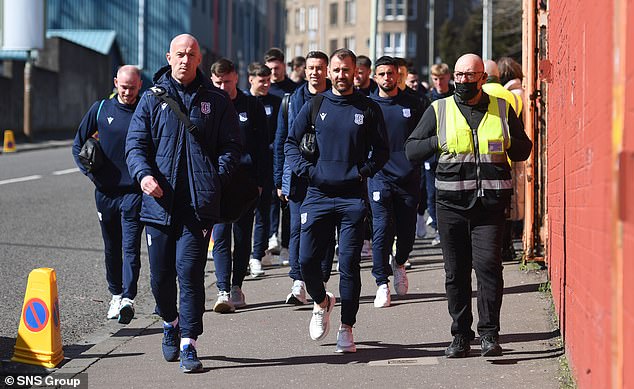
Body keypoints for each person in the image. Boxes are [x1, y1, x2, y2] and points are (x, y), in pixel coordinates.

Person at [125, 34, 242, 373]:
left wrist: (214, 178)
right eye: (179, 53)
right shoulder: (151, 99)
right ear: (168, 57)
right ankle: (170, 322)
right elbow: (135, 145)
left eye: (191, 54)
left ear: (199, 60)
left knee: (189, 274)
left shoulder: (216, 101)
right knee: (160, 278)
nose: (184, 59)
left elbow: (232, 146)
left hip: (197, 207)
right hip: (159, 206)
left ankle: (189, 341)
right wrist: (144, 175)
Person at [405, 53, 532, 358]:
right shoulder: (440, 109)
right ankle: (460, 335)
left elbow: (524, 148)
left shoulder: (501, 108)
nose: (462, 81)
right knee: (456, 272)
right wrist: (437, 141)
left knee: (489, 268)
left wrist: (508, 142)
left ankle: (489, 335)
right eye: (459, 75)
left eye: (469, 76)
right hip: (451, 206)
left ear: (482, 79)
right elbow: (411, 150)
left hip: (490, 205)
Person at [285, 48, 389, 353]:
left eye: (347, 70)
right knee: (305, 262)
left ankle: (347, 328)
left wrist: (362, 172)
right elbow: (290, 143)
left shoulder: (368, 109)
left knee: (348, 265)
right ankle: (321, 301)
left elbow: (382, 152)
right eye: (337, 70)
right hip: (316, 195)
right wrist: (308, 172)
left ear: (356, 72)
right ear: (329, 72)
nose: (342, 75)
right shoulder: (315, 104)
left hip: (351, 200)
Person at [72, 65, 144, 325]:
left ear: (140, 86)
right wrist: (91, 175)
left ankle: (128, 298)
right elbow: (78, 144)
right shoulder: (101, 109)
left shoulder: (143, 111)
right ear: (116, 83)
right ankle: (115, 294)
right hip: (104, 193)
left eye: (132, 88)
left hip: (134, 193)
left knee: (130, 246)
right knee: (112, 247)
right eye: (123, 87)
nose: (127, 92)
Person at [274, 50, 334, 305]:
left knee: (326, 230)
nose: (315, 72)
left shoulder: (337, 98)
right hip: (299, 175)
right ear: (304, 70)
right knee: (298, 227)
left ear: (327, 70)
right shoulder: (292, 100)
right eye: (311, 67)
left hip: (330, 175)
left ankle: (319, 277)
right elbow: (281, 141)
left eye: (320, 68)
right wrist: (279, 180)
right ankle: (298, 281)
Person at [209, 58, 269, 312]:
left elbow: (263, 147)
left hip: (245, 181)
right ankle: (222, 289)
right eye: (218, 82)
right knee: (221, 235)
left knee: (242, 237)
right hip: (218, 181)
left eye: (228, 82)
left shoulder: (251, 105)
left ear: (237, 78)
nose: (223, 87)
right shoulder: (208, 105)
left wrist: (260, 183)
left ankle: (236, 285)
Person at [368, 56, 425, 308]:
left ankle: (400, 262)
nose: (387, 78)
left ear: (398, 75)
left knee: (406, 232)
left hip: (408, 177)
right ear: (375, 77)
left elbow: (426, 136)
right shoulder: (367, 105)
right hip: (379, 177)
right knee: (381, 229)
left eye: (391, 74)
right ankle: (382, 282)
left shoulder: (414, 103)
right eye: (382, 74)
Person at [246, 62, 283, 273]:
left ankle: (257, 255)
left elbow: (280, 134)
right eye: (262, 80)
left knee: (263, 212)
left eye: (269, 80)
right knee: (242, 214)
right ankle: (241, 256)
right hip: (245, 167)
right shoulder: (243, 101)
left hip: (267, 165)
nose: (267, 84)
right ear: (251, 79)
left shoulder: (276, 103)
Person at [264, 48, 297, 258]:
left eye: (277, 68)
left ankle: (286, 242)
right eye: (270, 69)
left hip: (287, 149)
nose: (273, 73)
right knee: (270, 199)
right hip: (269, 151)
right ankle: (271, 236)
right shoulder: (264, 90)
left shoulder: (293, 90)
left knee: (286, 197)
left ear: (284, 66)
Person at [420, 63, 454, 246]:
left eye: (442, 78)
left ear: (448, 77)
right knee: (431, 194)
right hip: (432, 155)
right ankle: (439, 230)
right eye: (435, 79)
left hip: (452, 152)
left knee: (448, 192)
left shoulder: (455, 96)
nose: (439, 82)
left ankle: (448, 229)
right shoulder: (427, 99)